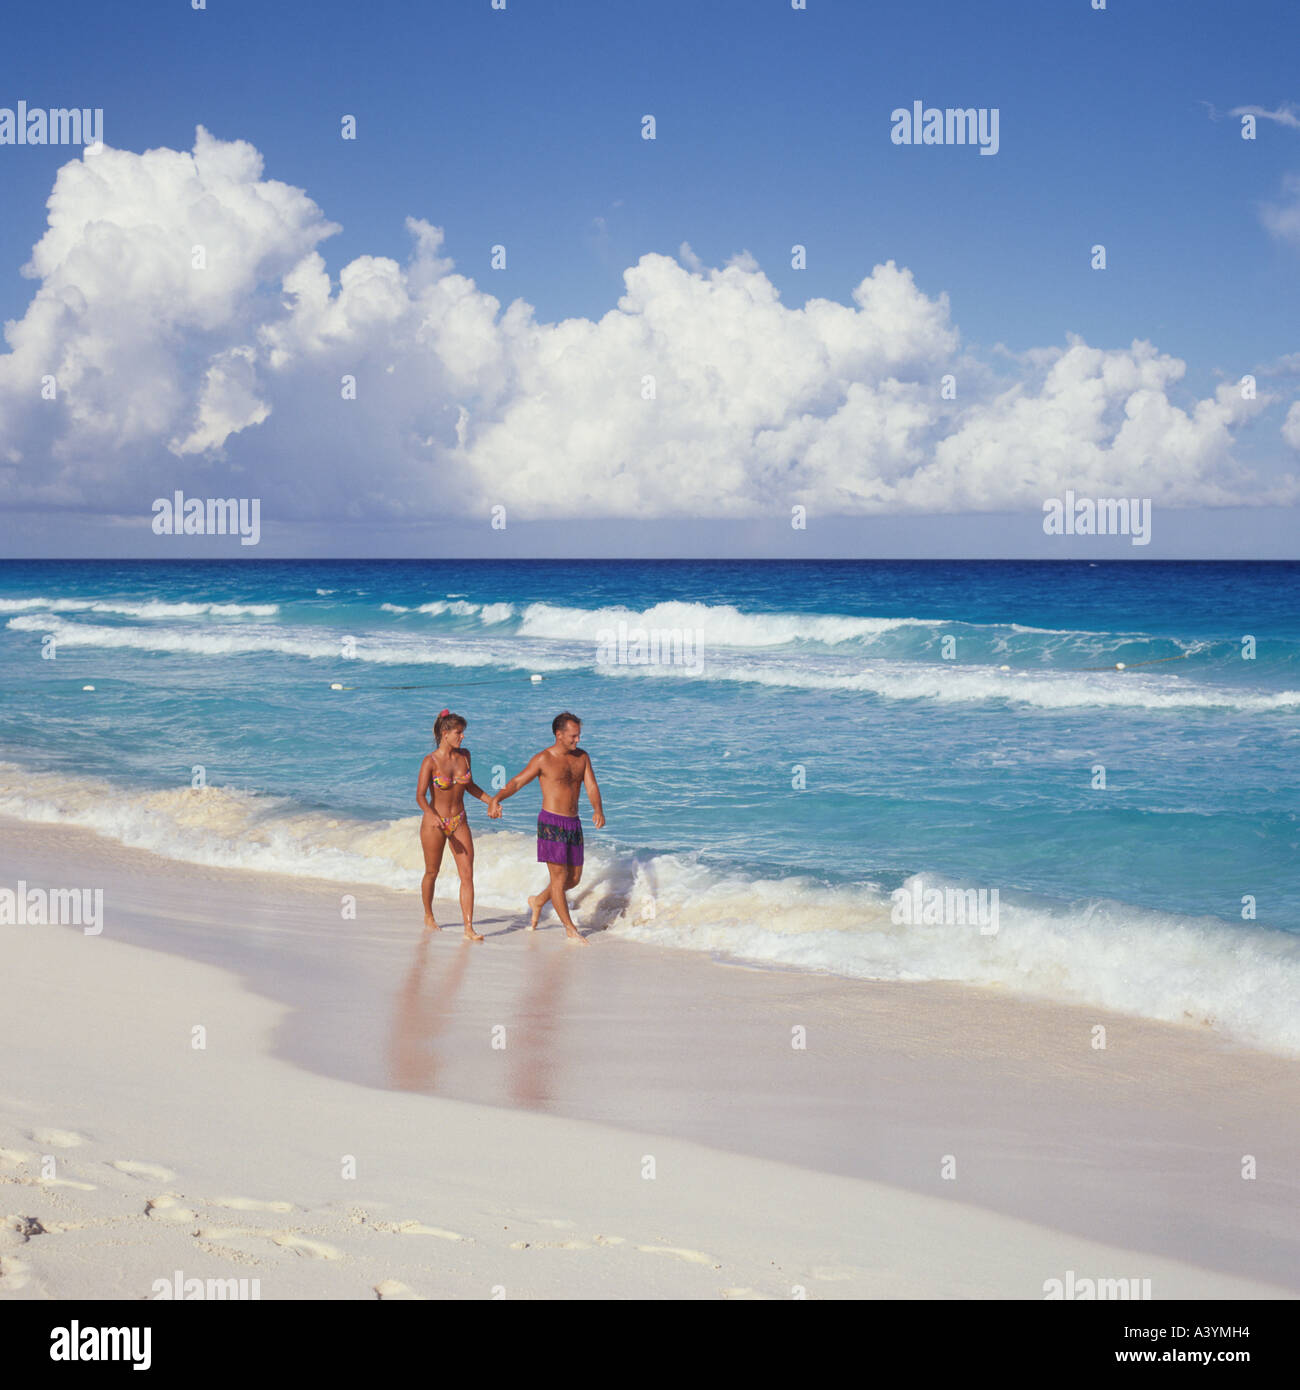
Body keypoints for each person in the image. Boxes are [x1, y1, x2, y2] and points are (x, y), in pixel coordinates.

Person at [488, 712, 604, 944]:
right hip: (551, 823)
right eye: (573, 736)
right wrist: (496, 798)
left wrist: (598, 809)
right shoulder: (543, 759)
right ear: (558, 734)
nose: (577, 740)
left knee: (574, 879)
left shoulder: (582, 757)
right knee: (559, 880)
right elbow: (518, 781)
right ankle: (569, 928)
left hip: (574, 823)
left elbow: (591, 785)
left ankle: (539, 901)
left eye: (579, 735)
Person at [417, 709, 493, 941]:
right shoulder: (430, 761)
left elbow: (470, 786)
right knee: (432, 872)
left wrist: (492, 801)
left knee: (467, 874)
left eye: (463, 732)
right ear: (445, 733)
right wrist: (431, 815)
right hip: (435, 824)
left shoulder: (465, 756)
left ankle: (468, 928)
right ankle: (429, 915)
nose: (463, 737)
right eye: (459, 733)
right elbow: (420, 796)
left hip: (459, 820)